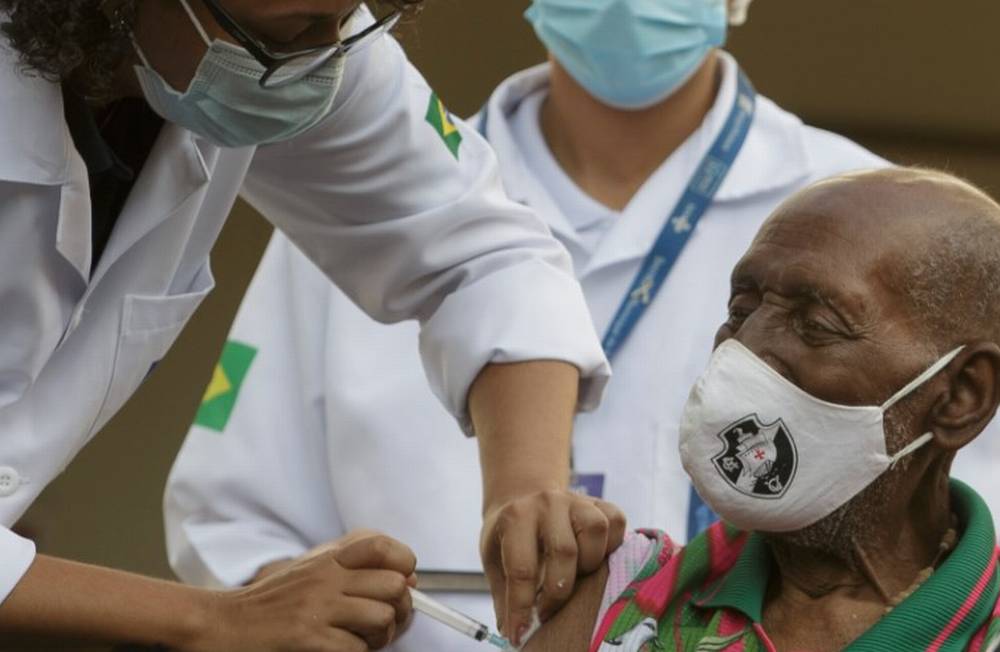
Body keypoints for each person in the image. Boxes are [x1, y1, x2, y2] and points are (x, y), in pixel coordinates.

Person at [164, 0, 1000, 649]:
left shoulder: (877, 223)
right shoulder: (349, 212)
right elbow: (232, 538)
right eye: (741, 309)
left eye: (815, 321)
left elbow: (952, 552)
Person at [0, 0, 623, 648]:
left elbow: (487, 254)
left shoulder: (296, 31)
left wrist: (524, 488)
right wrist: (220, 620)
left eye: (348, 20)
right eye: (295, 33)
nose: (327, 60)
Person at [521, 167, 1000, 652]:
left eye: (817, 324)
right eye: (740, 311)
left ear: (961, 396)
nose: (745, 348)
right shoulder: (624, 603)